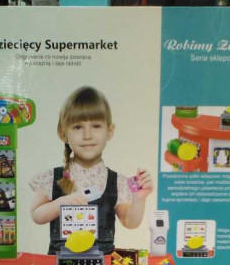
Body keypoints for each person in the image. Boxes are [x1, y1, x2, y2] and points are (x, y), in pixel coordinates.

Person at [30, 86, 153, 254]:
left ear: (109, 131)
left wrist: (139, 199)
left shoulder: (116, 182)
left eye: (96, 126)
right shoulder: (53, 178)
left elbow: (129, 222)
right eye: (77, 127)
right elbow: (36, 215)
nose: (87, 135)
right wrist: (61, 203)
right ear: (63, 133)